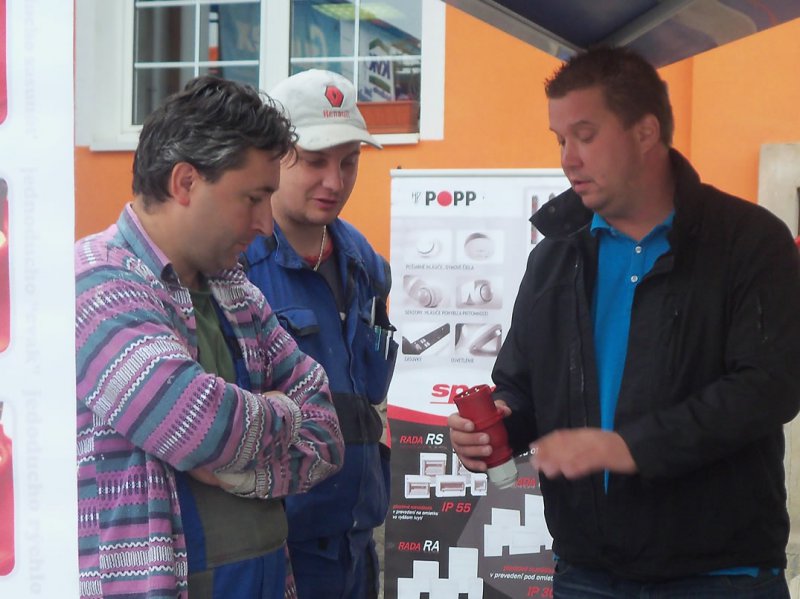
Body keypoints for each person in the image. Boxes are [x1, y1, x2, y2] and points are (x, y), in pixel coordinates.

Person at [449, 46, 800, 597]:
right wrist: (497, 425)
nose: (568, 159)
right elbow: (522, 385)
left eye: (585, 135)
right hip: (588, 573)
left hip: (719, 575)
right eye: (559, 139)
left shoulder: (748, 241)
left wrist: (631, 446)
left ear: (645, 132)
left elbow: (770, 386)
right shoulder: (554, 256)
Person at [75, 75, 345, 598]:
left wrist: (240, 474)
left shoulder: (235, 292)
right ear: (185, 183)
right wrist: (283, 412)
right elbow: (201, 425)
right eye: (253, 198)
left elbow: (327, 431)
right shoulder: (97, 282)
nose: (266, 224)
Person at [243, 69, 397, 599]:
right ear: (273, 157)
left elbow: (367, 396)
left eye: (349, 161)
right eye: (314, 161)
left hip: (358, 542)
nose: (335, 181)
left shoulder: (364, 263)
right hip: (278, 553)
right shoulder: (235, 267)